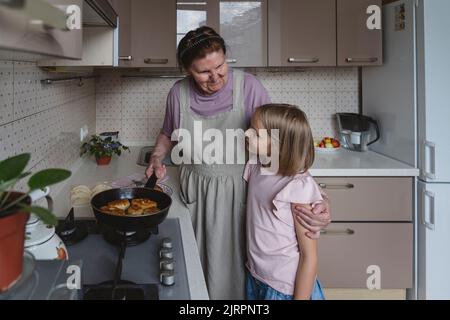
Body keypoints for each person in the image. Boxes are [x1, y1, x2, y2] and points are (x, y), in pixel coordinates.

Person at [146, 26, 331, 300]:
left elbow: (280, 145)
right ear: (187, 71)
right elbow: (167, 133)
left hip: (242, 198)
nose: (216, 76)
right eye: (204, 72)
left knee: (237, 277)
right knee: (193, 274)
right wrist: (156, 157)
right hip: (195, 196)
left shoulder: (249, 87)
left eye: (220, 66)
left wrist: (318, 199)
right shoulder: (178, 94)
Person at [244, 104, 325, 300]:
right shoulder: (256, 165)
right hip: (256, 276)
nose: (246, 133)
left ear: (280, 144)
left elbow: (309, 257)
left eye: (256, 133)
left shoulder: (298, 188)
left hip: (284, 288)